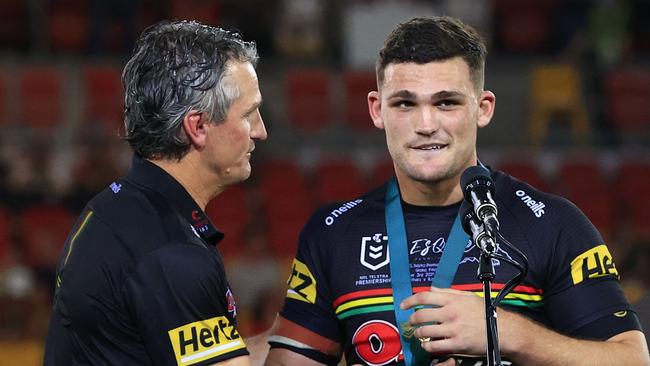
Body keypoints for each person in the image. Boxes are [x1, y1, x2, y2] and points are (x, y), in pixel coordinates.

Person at [264, 16, 649, 366]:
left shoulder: (553, 223)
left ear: (483, 108)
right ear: (377, 110)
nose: (426, 123)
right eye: (404, 104)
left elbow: (631, 359)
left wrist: (508, 333)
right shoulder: (333, 233)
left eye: (446, 102)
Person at [44, 20, 268, 365]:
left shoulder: (113, 209)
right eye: (250, 114)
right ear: (197, 126)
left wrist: (304, 329)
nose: (261, 132)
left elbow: (214, 357)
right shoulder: (172, 256)